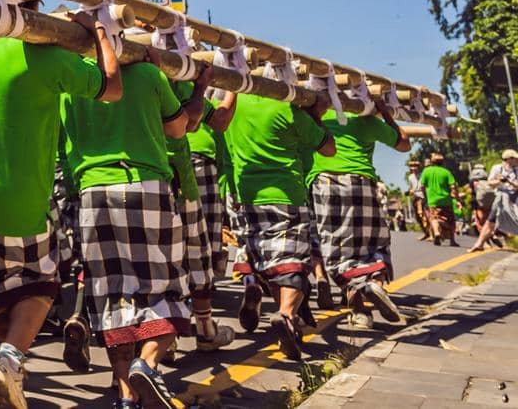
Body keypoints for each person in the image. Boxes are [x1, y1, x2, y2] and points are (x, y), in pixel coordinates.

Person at [0, 6, 123, 409]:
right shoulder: (54, 59)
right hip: (23, 202)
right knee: (40, 286)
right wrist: (98, 32)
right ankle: (8, 359)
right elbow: (112, 87)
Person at [60, 52, 192, 409]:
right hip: (144, 183)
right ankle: (147, 363)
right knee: (165, 286)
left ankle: (125, 396)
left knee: (111, 295)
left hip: (92, 191)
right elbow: (178, 127)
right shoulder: (149, 74)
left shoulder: (72, 80)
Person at [224, 94, 336, 360]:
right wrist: (316, 118)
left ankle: (284, 315)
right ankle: (286, 314)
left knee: (269, 263)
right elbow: (328, 148)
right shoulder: (288, 109)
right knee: (294, 261)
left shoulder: (233, 106)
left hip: (248, 194)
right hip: (287, 194)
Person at [307, 104, 410, 327]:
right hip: (360, 182)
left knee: (336, 250)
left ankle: (359, 309)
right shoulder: (365, 120)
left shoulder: (316, 115)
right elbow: (404, 143)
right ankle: (375, 286)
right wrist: (385, 113)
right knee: (375, 244)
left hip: (325, 183)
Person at [170, 82, 238, 350]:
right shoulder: (174, 83)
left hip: (136, 173)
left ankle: (166, 338)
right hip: (184, 168)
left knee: (161, 256)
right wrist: (236, 85)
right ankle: (205, 330)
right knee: (199, 252)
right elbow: (216, 120)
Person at [420, 152, 459, 246]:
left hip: (433, 200)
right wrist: (456, 198)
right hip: (446, 200)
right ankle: (452, 241)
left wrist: (425, 196)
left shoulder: (426, 171)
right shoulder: (446, 172)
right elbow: (453, 186)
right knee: (450, 220)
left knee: (434, 218)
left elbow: (422, 186)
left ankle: (436, 233)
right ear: (442, 162)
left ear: (432, 162)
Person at [406, 159, 427, 238]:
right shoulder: (410, 177)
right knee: (418, 217)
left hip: (424, 197)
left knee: (426, 215)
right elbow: (412, 188)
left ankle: (431, 233)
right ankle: (425, 233)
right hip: (416, 196)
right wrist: (410, 191)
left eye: (415, 166)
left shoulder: (423, 175)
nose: (414, 168)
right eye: (412, 166)